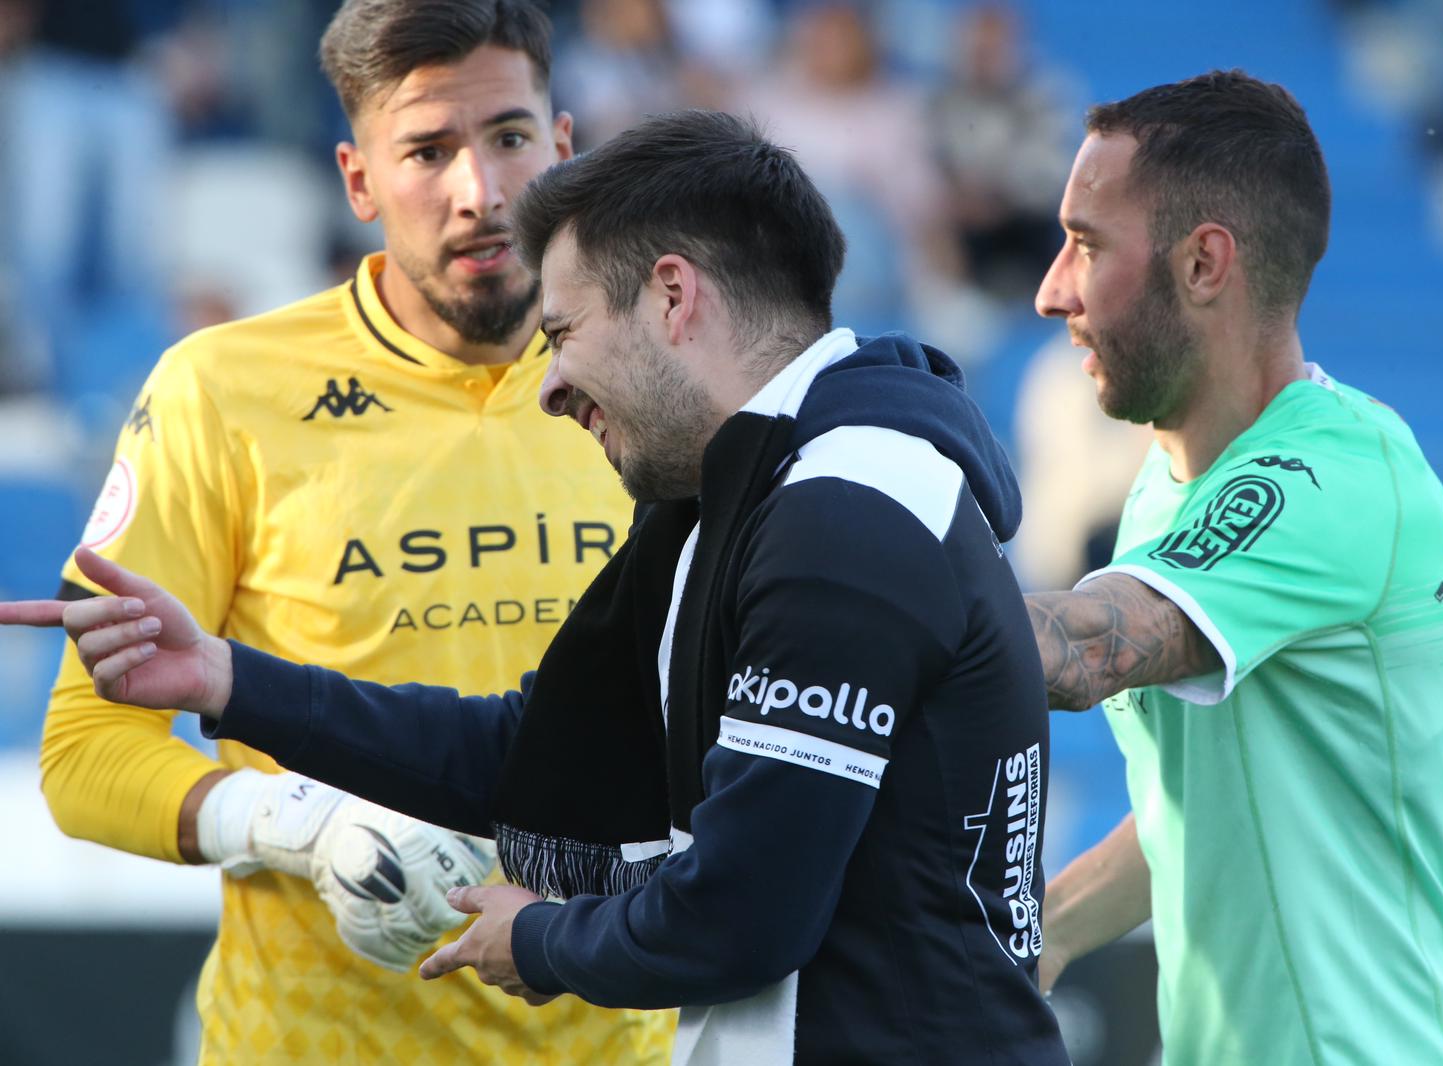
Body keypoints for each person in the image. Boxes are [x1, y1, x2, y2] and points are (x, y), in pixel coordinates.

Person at [7, 110, 1070, 1066]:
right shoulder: (737, 499)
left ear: (671, 295)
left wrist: (535, 938)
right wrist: (233, 681)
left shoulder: (846, 507)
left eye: (562, 334)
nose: (550, 385)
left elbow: (743, 915)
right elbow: (538, 757)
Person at [31, 0, 672, 1061]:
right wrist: (295, 823)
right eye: (427, 150)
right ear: (357, 179)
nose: (482, 192)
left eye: (510, 137)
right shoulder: (221, 391)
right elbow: (87, 751)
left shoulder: (665, 385)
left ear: (565, 150)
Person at [1020, 71, 1443, 1063]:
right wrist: (1051, 925)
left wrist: (821, 601)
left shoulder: (1329, 476)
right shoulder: (1167, 490)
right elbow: (1206, 805)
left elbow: (1079, 653)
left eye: (1086, 242)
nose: (1051, 290)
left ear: (1204, 264)